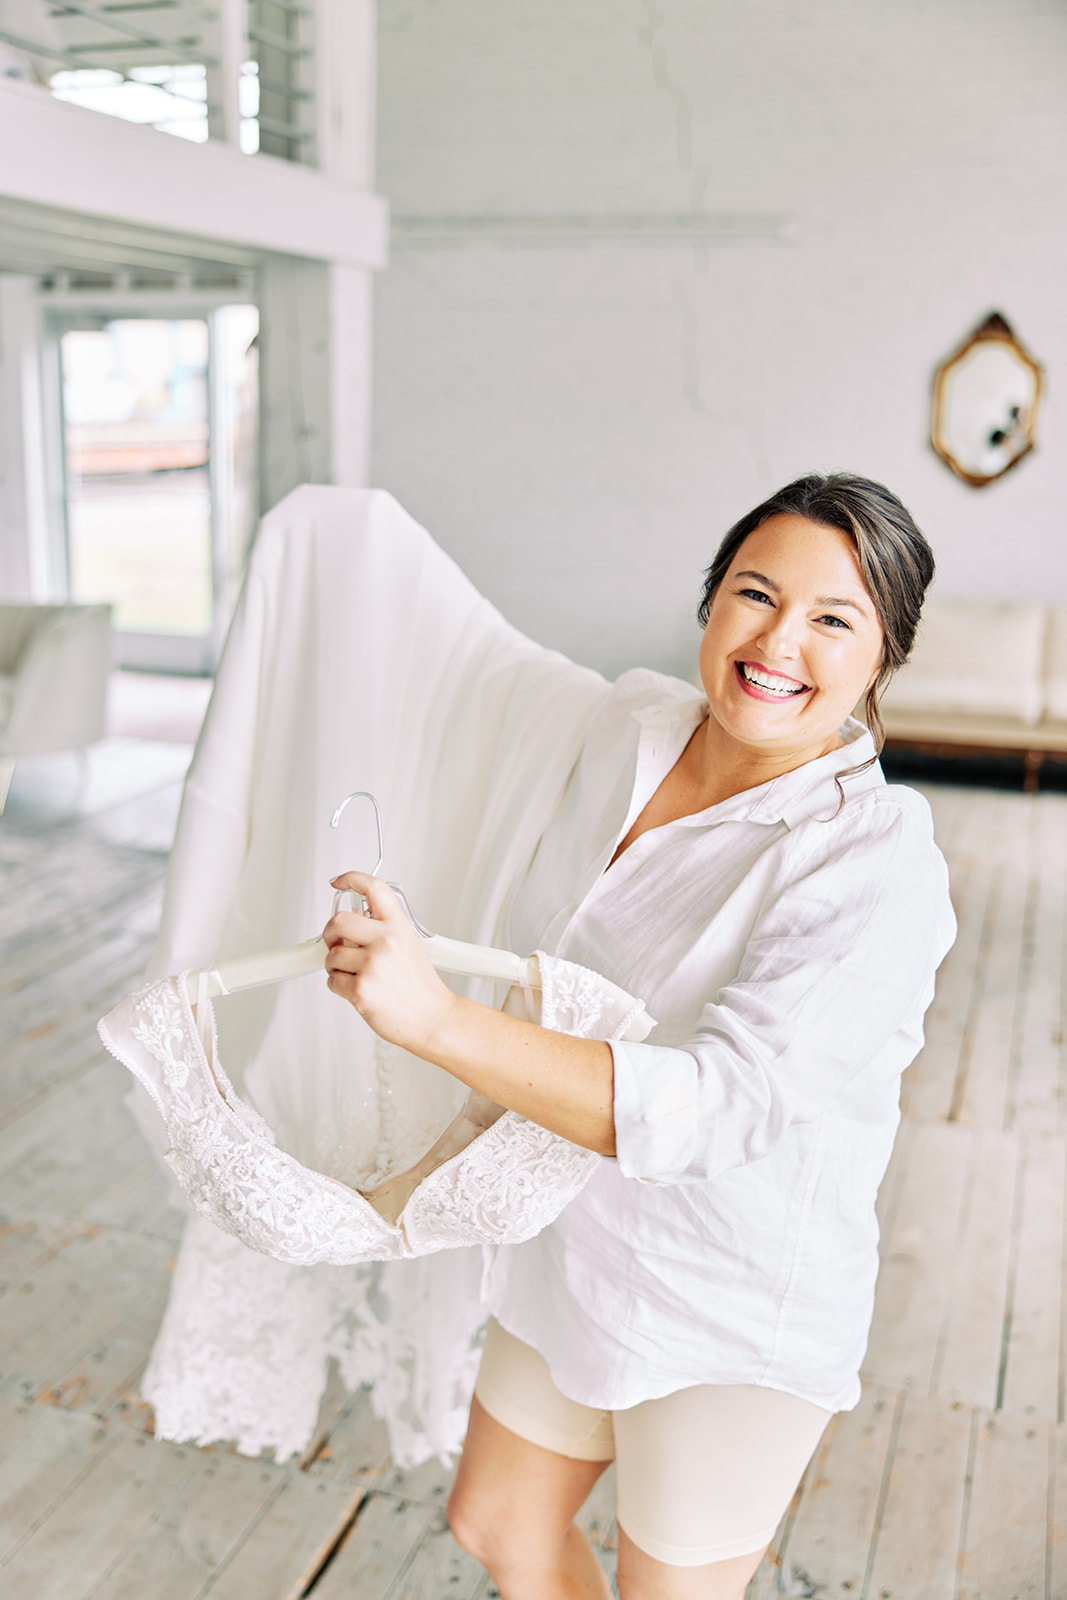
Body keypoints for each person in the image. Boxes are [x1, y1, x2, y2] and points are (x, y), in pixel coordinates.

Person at [323, 473, 956, 1600]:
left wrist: (433, 1018)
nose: (777, 641)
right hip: (567, 1234)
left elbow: (720, 1105)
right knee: (496, 1522)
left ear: (881, 659)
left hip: (726, 1290)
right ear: (708, 600)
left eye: (832, 619)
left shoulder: (875, 862)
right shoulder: (627, 726)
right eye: (754, 594)